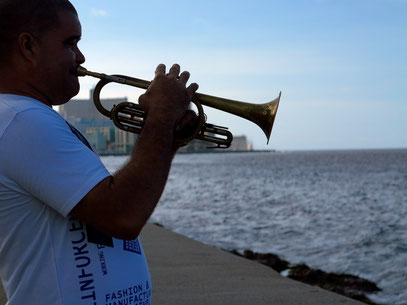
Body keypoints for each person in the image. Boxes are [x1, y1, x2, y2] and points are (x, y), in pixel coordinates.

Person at [0, 0, 199, 304]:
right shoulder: (21, 120)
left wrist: (168, 140)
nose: (81, 57)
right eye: (71, 43)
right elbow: (122, 215)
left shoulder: (28, 118)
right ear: (28, 46)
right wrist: (159, 118)